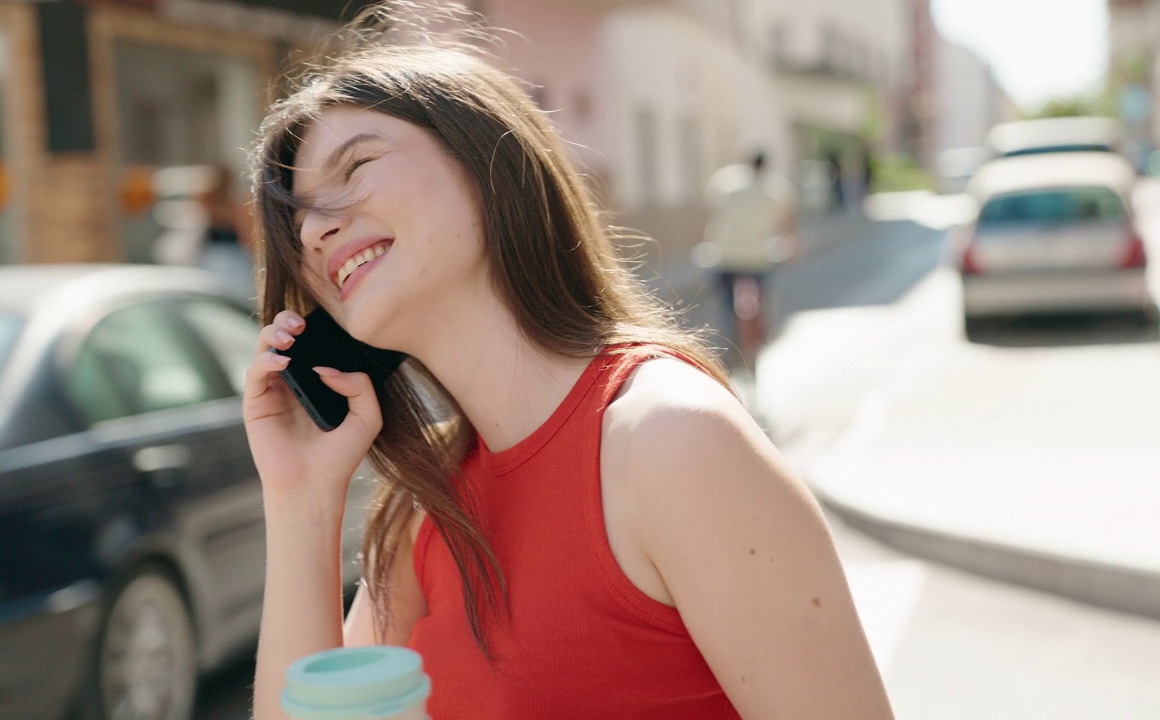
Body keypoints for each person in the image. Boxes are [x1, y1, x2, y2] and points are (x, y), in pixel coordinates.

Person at [243, 4, 893, 719]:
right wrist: (302, 498)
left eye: (357, 164)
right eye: (298, 216)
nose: (315, 228)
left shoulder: (670, 444)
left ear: (491, 164)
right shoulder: (418, 510)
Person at [701, 152, 799, 373]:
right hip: (757, 258)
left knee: (726, 305)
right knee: (762, 298)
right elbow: (787, 219)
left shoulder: (726, 182)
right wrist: (791, 244)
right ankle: (761, 335)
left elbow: (712, 210)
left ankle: (730, 342)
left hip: (724, 256)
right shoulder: (773, 188)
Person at [198, 164, 257, 300]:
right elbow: (246, 235)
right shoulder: (236, 204)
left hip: (213, 254)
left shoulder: (207, 201)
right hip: (232, 256)